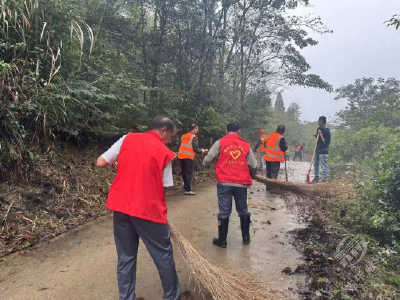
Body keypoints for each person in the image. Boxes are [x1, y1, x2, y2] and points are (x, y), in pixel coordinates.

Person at [96, 116, 189, 300]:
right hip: (148, 211)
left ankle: (126, 297)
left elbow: (100, 162)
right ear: (162, 130)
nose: (169, 142)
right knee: (163, 256)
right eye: (170, 137)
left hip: (121, 207)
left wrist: (119, 163)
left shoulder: (127, 138)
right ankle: (172, 297)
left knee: (125, 257)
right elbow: (163, 187)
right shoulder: (164, 152)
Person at [203, 122, 257, 248]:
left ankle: (222, 241)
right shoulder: (245, 145)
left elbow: (209, 157)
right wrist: (252, 175)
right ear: (239, 131)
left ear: (226, 131)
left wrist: (205, 164)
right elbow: (253, 164)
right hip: (241, 183)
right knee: (243, 210)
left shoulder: (220, 142)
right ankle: (246, 238)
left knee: (224, 211)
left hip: (224, 182)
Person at [178, 124, 207, 195]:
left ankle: (186, 187)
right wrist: (201, 151)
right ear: (194, 129)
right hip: (188, 157)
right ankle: (188, 190)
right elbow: (195, 148)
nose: (197, 130)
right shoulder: (193, 137)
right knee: (188, 173)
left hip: (181, 156)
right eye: (197, 129)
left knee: (184, 172)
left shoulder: (183, 136)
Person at [313, 116, 331, 183]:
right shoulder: (319, 128)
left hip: (323, 151)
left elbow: (325, 142)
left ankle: (324, 179)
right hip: (318, 149)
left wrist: (320, 134)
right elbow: (318, 139)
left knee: (323, 164)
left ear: (321, 121)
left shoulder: (327, 131)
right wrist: (316, 135)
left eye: (319, 121)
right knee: (315, 164)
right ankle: (316, 177)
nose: (318, 122)